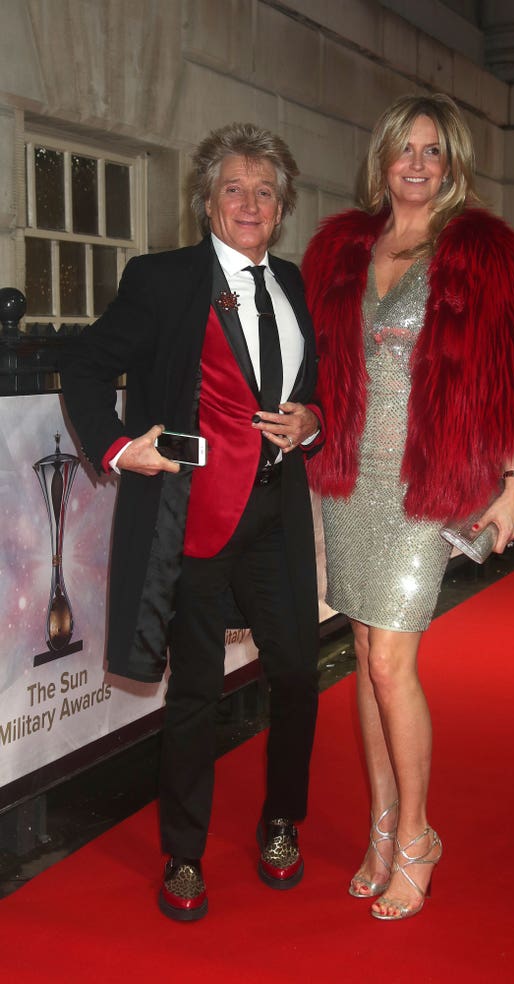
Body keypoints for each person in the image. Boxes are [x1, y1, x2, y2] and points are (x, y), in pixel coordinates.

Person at [62, 122, 324, 922]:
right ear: (207, 200)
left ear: (281, 210)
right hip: (197, 516)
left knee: (297, 676)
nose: (250, 203)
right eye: (234, 188)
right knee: (197, 694)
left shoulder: (295, 285)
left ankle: (281, 821)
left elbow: (314, 384)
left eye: (265, 191)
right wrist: (114, 446)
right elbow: (84, 365)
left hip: (278, 511)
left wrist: (312, 418)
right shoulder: (162, 279)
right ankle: (184, 855)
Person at [301, 93, 514, 922]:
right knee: (366, 660)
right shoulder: (342, 245)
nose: (416, 162)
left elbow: (511, 365)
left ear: (452, 164)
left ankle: (416, 836)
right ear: (383, 157)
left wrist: (513, 479)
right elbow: (316, 358)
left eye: (432, 151)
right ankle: (379, 829)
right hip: (352, 474)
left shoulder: (482, 249)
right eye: (404, 147)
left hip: (423, 479)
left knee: (390, 665)